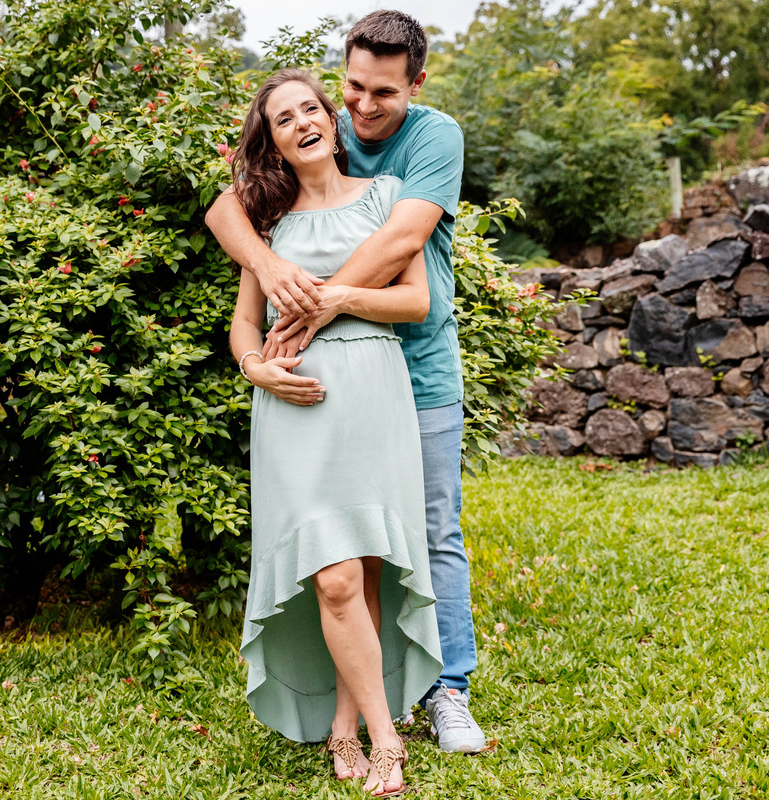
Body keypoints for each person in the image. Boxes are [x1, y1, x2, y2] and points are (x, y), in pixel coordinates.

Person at [207, 10, 487, 756]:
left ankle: (445, 692)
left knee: (429, 537)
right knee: (337, 564)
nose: (363, 108)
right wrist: (267, 286)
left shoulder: (423, 147)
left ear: (415, 85)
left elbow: (404, 244)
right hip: (303, 409)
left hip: (410, 378)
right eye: (353, 89)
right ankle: (352, 721)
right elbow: (224, 212)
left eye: (382, 94)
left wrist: (321, 304)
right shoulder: (288, 185)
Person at [224, 67, 441, 798]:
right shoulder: (268, 224)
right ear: (274, 143)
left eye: (311, 109)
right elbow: (244, 325)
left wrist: (338, 302)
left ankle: (347, 727)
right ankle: (389, 740)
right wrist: (256, 370)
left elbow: (414, 303)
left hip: (373, 392)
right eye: (283, 120)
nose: (302, 123)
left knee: (367, 569)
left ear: (331, 118)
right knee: (334, 574)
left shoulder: (384, 198)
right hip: (295, 409)